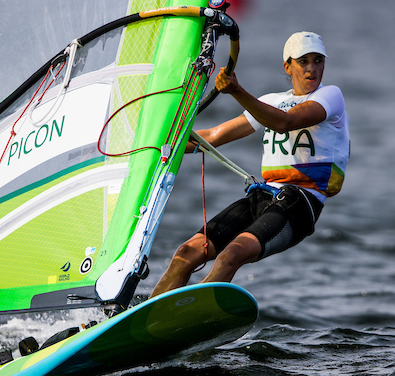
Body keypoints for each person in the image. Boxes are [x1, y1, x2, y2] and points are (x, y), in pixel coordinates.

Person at [150, 31, 350, 298]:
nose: (312, 69)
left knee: (233, 253)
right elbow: (210, 138)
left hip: (300, 204)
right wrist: (154, 143)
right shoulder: (270, 101)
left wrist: (236, 90)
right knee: (187, 253)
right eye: (303, 61)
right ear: (288, 66)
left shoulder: (330, 96)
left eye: (318, 61)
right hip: (262, 196)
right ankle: (144, 321)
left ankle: (185, 313)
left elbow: (285, 122)